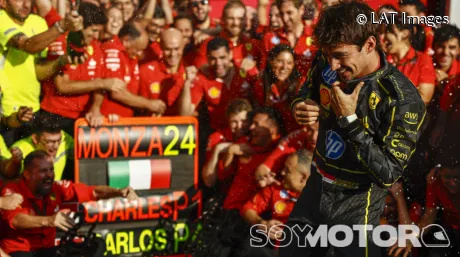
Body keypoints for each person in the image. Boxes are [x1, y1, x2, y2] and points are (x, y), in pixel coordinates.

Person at [286, 2, 425, 257]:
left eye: (340, 56)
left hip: (357, 201)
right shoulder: (328, 58)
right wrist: (300, 106)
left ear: (370, 44)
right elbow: (307, 90)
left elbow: (388, 174)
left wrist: (350, 120)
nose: (333, 66)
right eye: (327, 56)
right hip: (315, 187)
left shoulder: (402, 98)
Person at [0, 150, 138, 257]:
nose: (50, 175)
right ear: (27, 174)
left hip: (48, 250)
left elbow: (93, 192)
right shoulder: (12, 190)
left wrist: (118, 191)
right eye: (43, 171)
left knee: (93, 246)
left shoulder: (56, 187)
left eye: (51, 170)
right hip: (19, 252)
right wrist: (49, 220)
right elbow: (16, 220)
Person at [0, 0, 83, 145]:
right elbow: (27, 45)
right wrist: (62, 26)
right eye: (19, 0)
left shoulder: (38, 22)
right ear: (3, 3)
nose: (26, 4)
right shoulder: (1, 19)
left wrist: (61, 62)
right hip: (6, 111)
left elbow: (38, 71)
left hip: (32, 108)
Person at [40, 2, 125, 136]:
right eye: (94, 30)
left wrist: (96, 108)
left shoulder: (95, 47)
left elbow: (99, 84)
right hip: (56, 116)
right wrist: (101, 83)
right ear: (81, 27)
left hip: (81, 118)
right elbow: (62, 85)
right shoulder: (61, 42)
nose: (96, 36)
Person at [86, 22, 163, 124]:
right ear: (126, 41)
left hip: (125, 120)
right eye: (139, 50)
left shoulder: (129, 53)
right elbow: (117, 92)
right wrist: (149, 104)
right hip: (108, 121)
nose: (140, 54)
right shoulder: (112, 50)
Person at [240, 149, 312, 257]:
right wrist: (262, 224)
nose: (282, 172)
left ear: (303, 177)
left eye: (287, 170)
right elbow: (247, 208)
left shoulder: (325, 202)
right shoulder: (277, 189)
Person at [179, 37, 258, 131]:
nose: (218, 63)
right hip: (218, 133)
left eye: (222, 58)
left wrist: (256, 73)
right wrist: (187, 83)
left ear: (230, 55)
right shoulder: (202, 78)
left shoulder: (245, 70)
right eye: (213, 59)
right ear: (207, 58)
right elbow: (185, 114)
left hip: (246, 130)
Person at [220, 107, 282, 211]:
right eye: (252, 123)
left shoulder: (281, 154)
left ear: (272, 130)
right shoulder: (244, 143)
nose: (251, 127)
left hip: (254, 216)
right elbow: (223, 176)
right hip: (229, 210)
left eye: (256, 124)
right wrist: (230, 152)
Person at [194, 0, 263, 70]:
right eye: (231, 18)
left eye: (240, 19)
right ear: (223, 19)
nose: (236, 23)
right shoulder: (208, 43)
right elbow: (199, 72)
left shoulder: (253, 45)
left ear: (245, 20)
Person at [383, 15, 436, 105]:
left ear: (405, 33)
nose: (384, 37)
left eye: (388, 31)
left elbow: (424, 98)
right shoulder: (383, 60)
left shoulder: (422, 60)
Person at [251, 44, 304, 132]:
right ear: (271, 61)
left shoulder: (301, 85)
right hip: (272, 135)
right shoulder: (261, 86)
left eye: (289, 63)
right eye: (280, 61)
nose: (284, 67)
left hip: (297, 136)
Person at [202, 98, 252, 188]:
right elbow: (209, 182)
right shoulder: (216, 137)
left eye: (243, 121)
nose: (239, 126)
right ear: (228, 121)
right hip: (224, 187)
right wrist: (216, 150)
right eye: (234, 122)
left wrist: (231, 148)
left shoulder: (254, 137)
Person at [255, 122, 318, 188]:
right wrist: (265, 180)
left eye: (321, 131)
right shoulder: (296, 139)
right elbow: (263, 169)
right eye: (310, 130)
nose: (314, 137)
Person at [11, 114, 73, 181]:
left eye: (59, 140)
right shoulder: (18, 150)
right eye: (49, 142)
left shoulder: (66, 139)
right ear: (35, 139)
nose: (56, 146)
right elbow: (11, 182)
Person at [262, 0, 317, 74]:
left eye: (289, 13)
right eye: (281, 13)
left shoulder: (315, 36)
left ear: (301, 10)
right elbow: (264, 74)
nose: (285, 18)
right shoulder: (270, 38)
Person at [139, 28, 185, 116]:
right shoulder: (145, 71)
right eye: (168, 49)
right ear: (160, 47)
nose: (173, 54)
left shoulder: (190, 71)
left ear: (183, 46)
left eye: (176, 49)